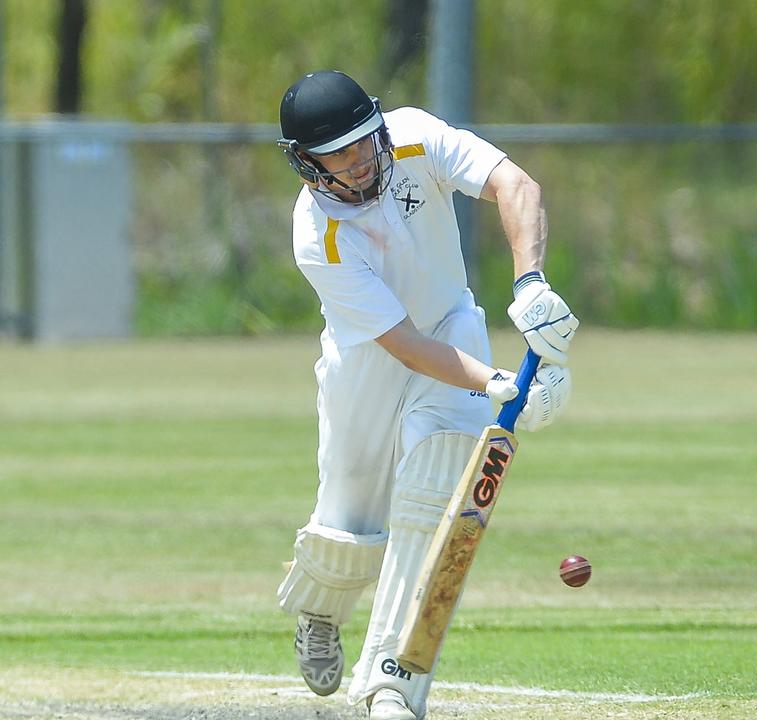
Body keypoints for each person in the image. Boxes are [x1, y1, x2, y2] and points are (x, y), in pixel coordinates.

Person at [273, 70, 579, 720]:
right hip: (370, 356)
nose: (361, 158)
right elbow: (405, 345)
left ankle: (392, 682)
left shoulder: (412, 136)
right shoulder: (316, 234)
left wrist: (530, 284)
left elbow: (515, 185)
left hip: (452, 322)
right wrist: (502, 384)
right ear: (307, 164)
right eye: (341, 152)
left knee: (437, 485)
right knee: (351, 511)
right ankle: (322, 611)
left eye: (364, 140)